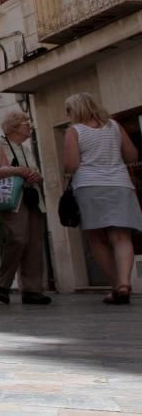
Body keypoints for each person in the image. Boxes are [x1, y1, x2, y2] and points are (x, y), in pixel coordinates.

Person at [63, 93, 142, 305]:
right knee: (121, 237)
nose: (68, 114)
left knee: (97, 239)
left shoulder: (74, 131)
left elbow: (72, 165)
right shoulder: (114, 126)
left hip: (90, 186)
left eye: (68, 110)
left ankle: (116, 285)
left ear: (76, 110)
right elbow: (132, 156)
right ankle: (125, 283)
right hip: (120, 184)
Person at [0, 109, 50, 306]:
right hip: (13, 201)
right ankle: (3, 284)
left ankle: (32, 290)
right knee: (18, 239)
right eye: (25, 123)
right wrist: (18, 170)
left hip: (33, 199)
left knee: (35, 244)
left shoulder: (26, 149)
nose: (29, 126)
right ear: (13, 127)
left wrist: (38, 176)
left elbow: (37, 173)